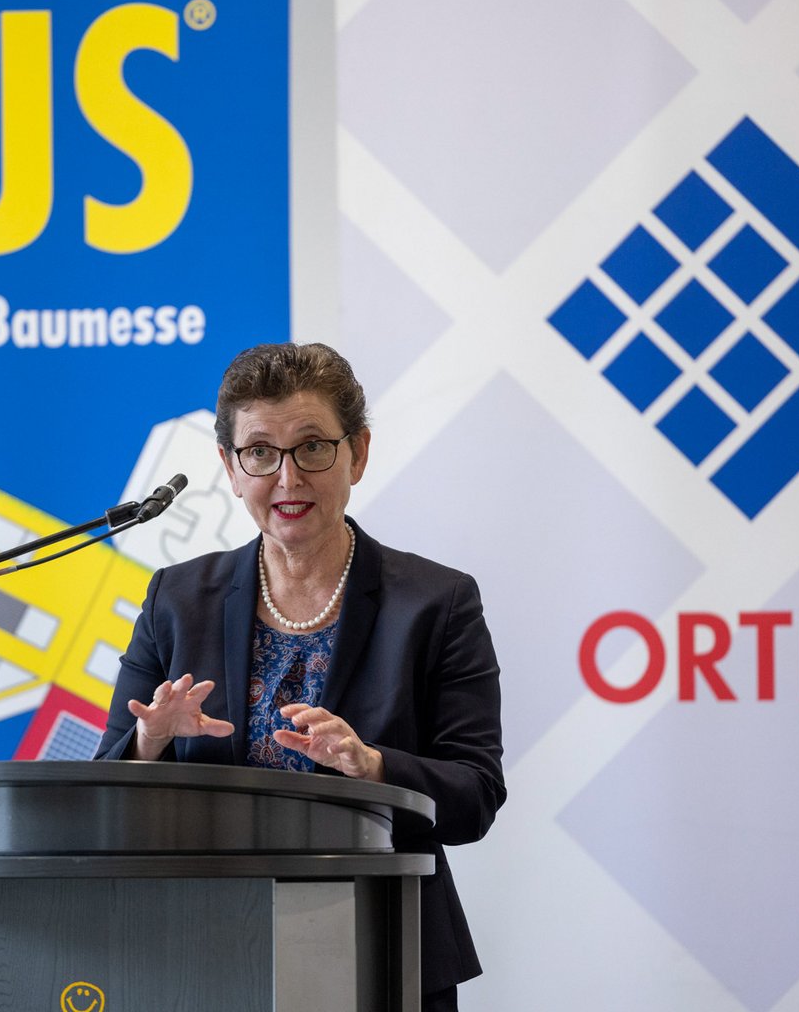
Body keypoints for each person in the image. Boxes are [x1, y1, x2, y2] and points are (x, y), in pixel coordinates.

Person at [94, 341, 505, 1012]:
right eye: (260, 452)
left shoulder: (436, 603)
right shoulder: (178, 599)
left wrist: (372, 765)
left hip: (384, 948)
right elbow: (103, 796)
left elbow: (475, 796)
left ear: (358, 453)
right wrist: (151, 742)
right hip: (200, 951)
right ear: (230, 467)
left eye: (312, 447)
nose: (288, 478)